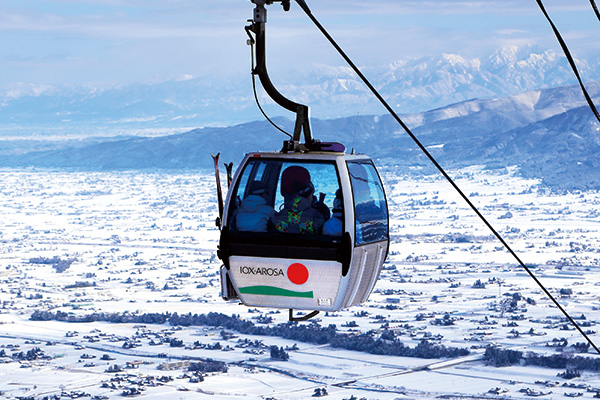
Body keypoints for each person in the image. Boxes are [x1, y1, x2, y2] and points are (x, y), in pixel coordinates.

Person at [272, 166, 327, 235]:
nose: (312, 198)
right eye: (311, 195)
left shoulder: (276, 218)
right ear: (305, 196)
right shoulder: (316, 217)